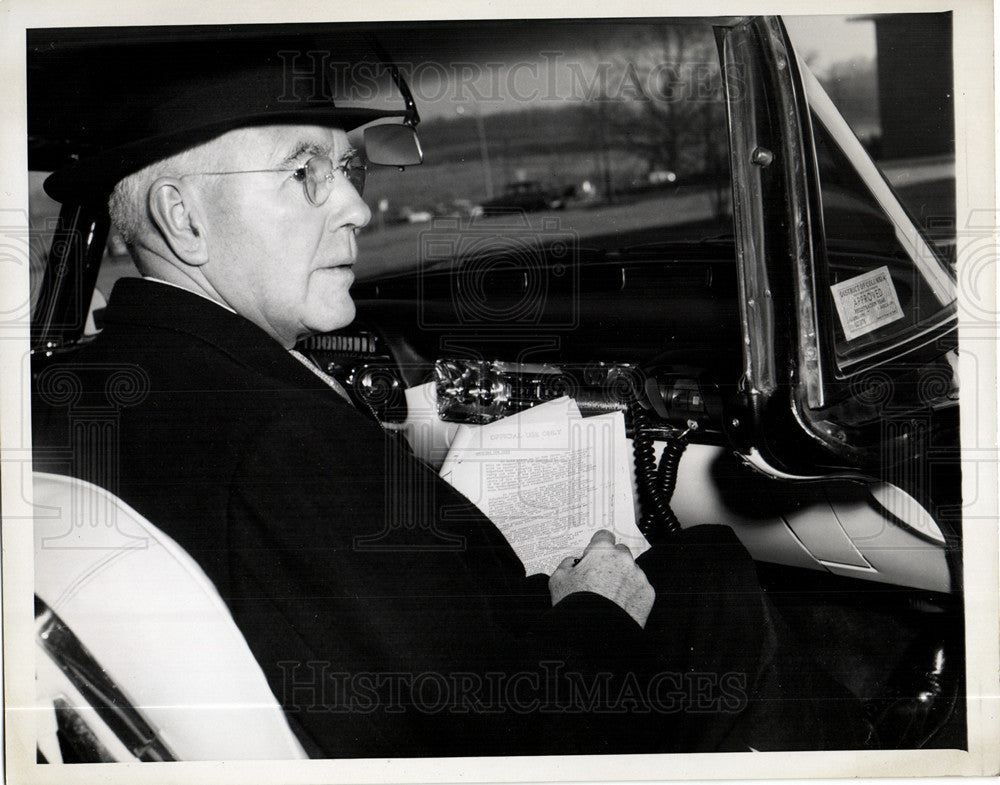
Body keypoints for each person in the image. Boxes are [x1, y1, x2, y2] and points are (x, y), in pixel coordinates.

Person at [33, 54, 870, 757]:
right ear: (183, 217)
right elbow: (500, 729)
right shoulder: (281, 440)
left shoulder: (80, 389)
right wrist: (595, 603)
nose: (359, 207)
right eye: (304, 173)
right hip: (519, 721)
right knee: (712, 577)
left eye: (348, 169)